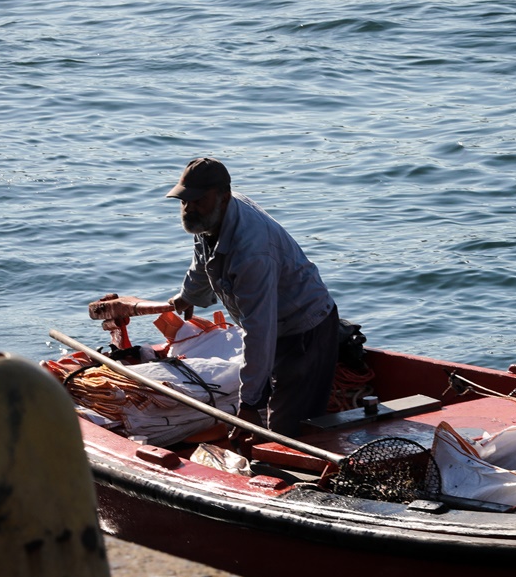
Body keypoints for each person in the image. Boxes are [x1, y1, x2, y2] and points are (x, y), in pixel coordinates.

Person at [89, 157, 339, 441]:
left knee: (283, 435)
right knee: (267, 415)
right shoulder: (211, 218)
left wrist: (248, 405)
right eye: (184, 200)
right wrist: (187, 297)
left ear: (224, 196)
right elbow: (201, 263)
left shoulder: (252, 253)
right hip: (274, 327)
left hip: (303, 333)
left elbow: (259, 331)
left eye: (198, 200)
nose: (189, 207)